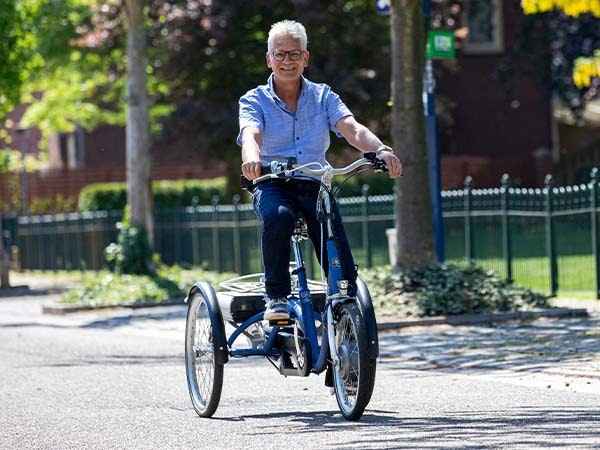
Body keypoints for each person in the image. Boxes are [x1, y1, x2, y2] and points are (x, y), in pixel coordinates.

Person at [238, 19, 402, 321]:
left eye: (294, 54)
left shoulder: (323, 96)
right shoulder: (254, 100)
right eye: (280, 54)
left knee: (331, 233)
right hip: (272, 183)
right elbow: (251, 134)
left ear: (306, 57)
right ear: (269, 59)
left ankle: (343, 300)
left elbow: (351, 128)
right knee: (279, 216)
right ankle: (276, 296)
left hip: (314, 183)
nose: (287, 61)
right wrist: (252, 157)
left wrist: (380, 149)